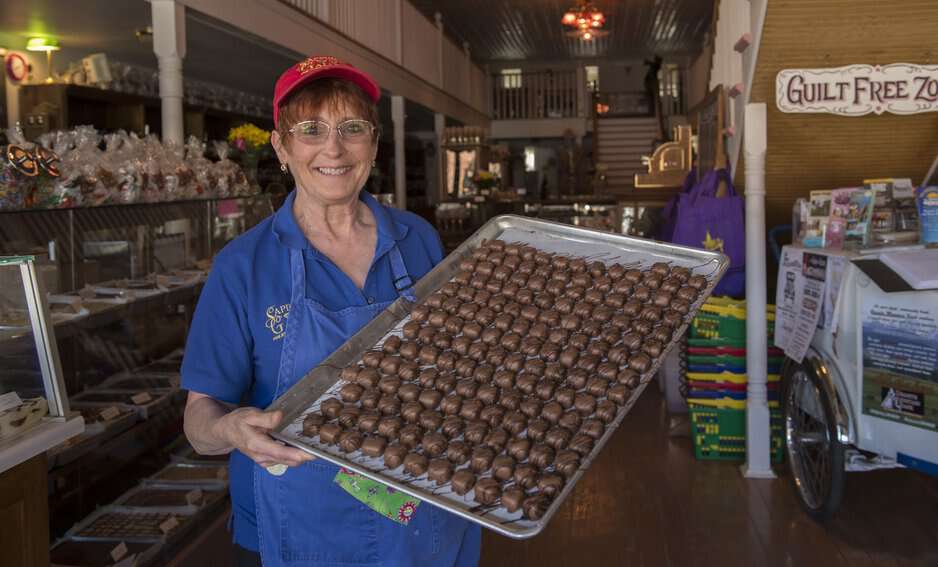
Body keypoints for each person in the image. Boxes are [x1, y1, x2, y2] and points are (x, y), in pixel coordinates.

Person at [181, 56, 481, 567]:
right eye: (310, 129)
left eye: (351, 128)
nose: (333, 148)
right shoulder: (243, 266)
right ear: (281, 147)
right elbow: (199, 418)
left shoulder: (419, 240)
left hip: (422, 509)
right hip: (298, 519)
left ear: (374, 144)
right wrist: (231, 431)